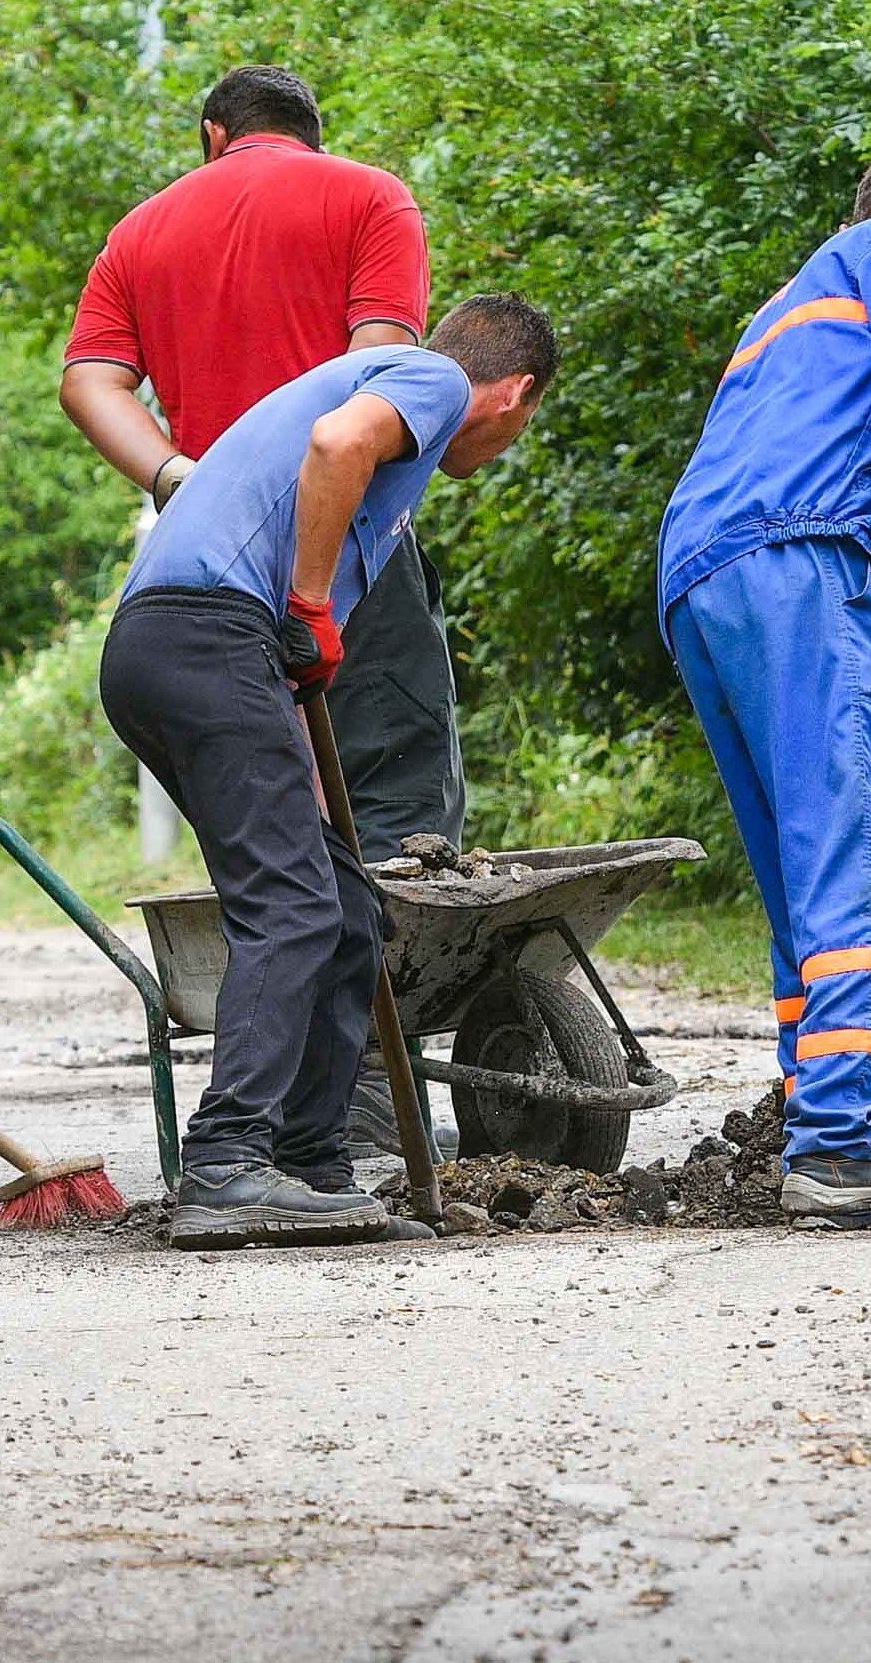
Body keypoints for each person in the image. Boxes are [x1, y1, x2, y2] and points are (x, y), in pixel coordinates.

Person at [96, 295, 558, 1249]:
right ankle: (227, 1166)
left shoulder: (400, 442)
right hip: (207, 634)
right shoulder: (425, 379)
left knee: (348, 911)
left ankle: (312, 1167)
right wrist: (309, 605)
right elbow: (336, 445)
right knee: (293, 905)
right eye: (526, 425)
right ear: (514, 396)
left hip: (176, 649)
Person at [657, 146, 871, 1229]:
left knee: (804, 861)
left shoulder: (790, 299)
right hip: (809, 557)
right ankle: (846, 1143)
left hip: (704, 572)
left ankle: (815, 1116)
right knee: (860, 841)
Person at [62, 66, 465, 854]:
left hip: (215, 566)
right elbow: (377, 373)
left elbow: (87, 384)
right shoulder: (369, 197)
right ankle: (404, 965)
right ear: (311, 133)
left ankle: (296, 957)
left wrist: (176, 474)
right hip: (349, 538)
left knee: (272, 809)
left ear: (215, 135)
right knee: (398, 796)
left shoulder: (139, 232)